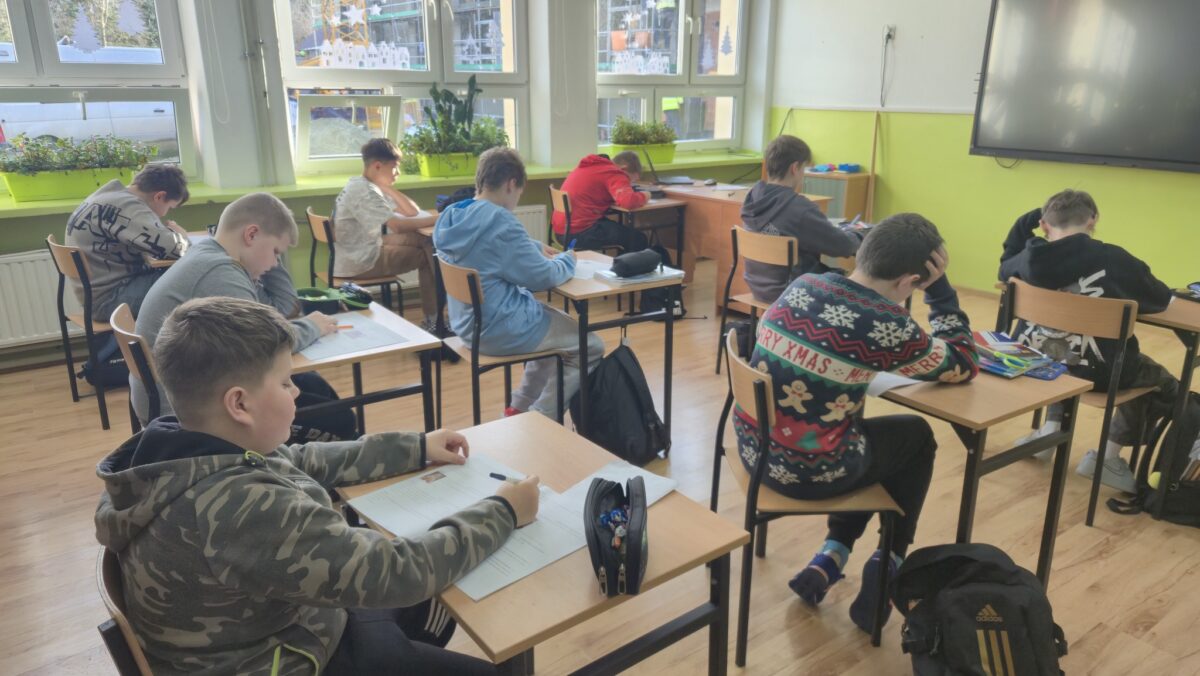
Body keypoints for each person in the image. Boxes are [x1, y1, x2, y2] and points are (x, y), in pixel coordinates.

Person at [95, 296, 540, 675]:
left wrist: (416, 447)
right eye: (285, 382)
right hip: (286, 657)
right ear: (239, 404)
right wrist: (503, 511)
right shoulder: (241, 507)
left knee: (433, 598)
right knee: (434, 592)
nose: (296, 392)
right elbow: (398, 571)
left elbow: (301, 458)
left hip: (277, 631)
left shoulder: (183, 449)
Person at [736, 213, 978, 632]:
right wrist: (940, 291)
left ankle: (831, 556)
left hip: (755, 452)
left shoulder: (803, 284)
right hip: (808, 472)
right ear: (909, 282)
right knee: (916, 437)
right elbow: (963, 363)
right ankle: (890, 560)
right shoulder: (888, 325)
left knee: (861, 435)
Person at [131, 192, 353, 441]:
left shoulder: (209, 253)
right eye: (276, 252)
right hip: (186, 412)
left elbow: (278, 311)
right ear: (251, 234)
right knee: (341, 421)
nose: (275, 264)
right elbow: (266, 344)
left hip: (186, 391)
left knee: (312, 384)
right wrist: (313, 326)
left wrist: (264, 264)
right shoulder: (220, 272)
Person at [998, 189, 1177, 492]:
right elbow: (1160, 298)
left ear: (1043, 224)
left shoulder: (1029, 258)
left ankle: (1049, 432)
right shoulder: (1117, 259)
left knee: (1062, 353)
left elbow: (1004, 266)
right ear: (1092, 220)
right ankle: (1107, 457)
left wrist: (1022, 225)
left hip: (1034, 363)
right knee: (1164, 383)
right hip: (1101, 373)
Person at [434, 147, 605, 419]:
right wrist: (568, 260)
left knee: (555, 332)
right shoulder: (500, 221)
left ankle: (519, 407)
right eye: (519, 193)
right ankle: (541, 417)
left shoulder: (453, 215)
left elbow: (489, 250)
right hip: (500, 329)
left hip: (468, 326)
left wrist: (532, 245)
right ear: (511, 184)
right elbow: (543, 277)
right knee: (590, 346)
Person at [740, 135, 864, 303]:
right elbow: (842, 246)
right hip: (794, 292)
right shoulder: (799, 208)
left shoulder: (752, 198)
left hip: (758, 287)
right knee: (860, 284)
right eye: (804, 169)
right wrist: (860, 235)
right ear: (795, 168)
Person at [333, 138, 439, 330]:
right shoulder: (365, 192)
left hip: (359, 250)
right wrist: (440, 218)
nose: (398, 173)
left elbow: (411, 211)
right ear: (377, 166)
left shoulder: (366, 185)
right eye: (394, 167)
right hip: (359, 261)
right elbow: (398, 226)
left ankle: (437, 313)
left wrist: (387, 187)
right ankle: (434, 320)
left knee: (424, 239)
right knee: (428, 255)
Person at [64, 163, 190, 318]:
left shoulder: (108, 195)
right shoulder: (128, 205)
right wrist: (183, 235)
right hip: (110, 299)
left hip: (97, 296)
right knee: (194, 279)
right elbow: (176, 250)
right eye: (169, 207)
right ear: (159, 196)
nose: (164, 214)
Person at [551, 150, 650, 254]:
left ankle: (621, 262)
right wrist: (646, 195)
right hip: (577, 234)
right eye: (629, 180)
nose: (627, 184)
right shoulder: (614, 172)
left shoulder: (592, 166)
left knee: (619, 229)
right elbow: (628, 201)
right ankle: (624, 264)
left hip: (562, 230)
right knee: (637, 239)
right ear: (623, 169)